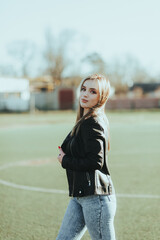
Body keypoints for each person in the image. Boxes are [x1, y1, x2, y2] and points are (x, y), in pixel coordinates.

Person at [57, 74, 117, 240]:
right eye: (83, 89)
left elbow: (96, 162)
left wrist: (65, 161)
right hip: (79, 196)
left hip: (95, 198)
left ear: (101, 97)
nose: (85, 94)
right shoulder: (84, 121)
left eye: (92, 91)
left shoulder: (93, 122)